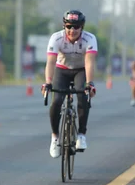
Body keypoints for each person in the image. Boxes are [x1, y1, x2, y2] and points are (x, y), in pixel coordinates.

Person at [41, 10, 97, 159]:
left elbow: (90, 62)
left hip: (81, 70)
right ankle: (55, 138)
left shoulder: (90, 39)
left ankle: (81, 134)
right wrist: (47, 82)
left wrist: (89, 84)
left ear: (82, 27)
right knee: (56, 101)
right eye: (69, 26)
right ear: (64, 26)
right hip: (62, 70)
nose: (72, 30)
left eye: (76, 27)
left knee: (83, 96)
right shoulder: (56, 38)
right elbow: (51, 62)